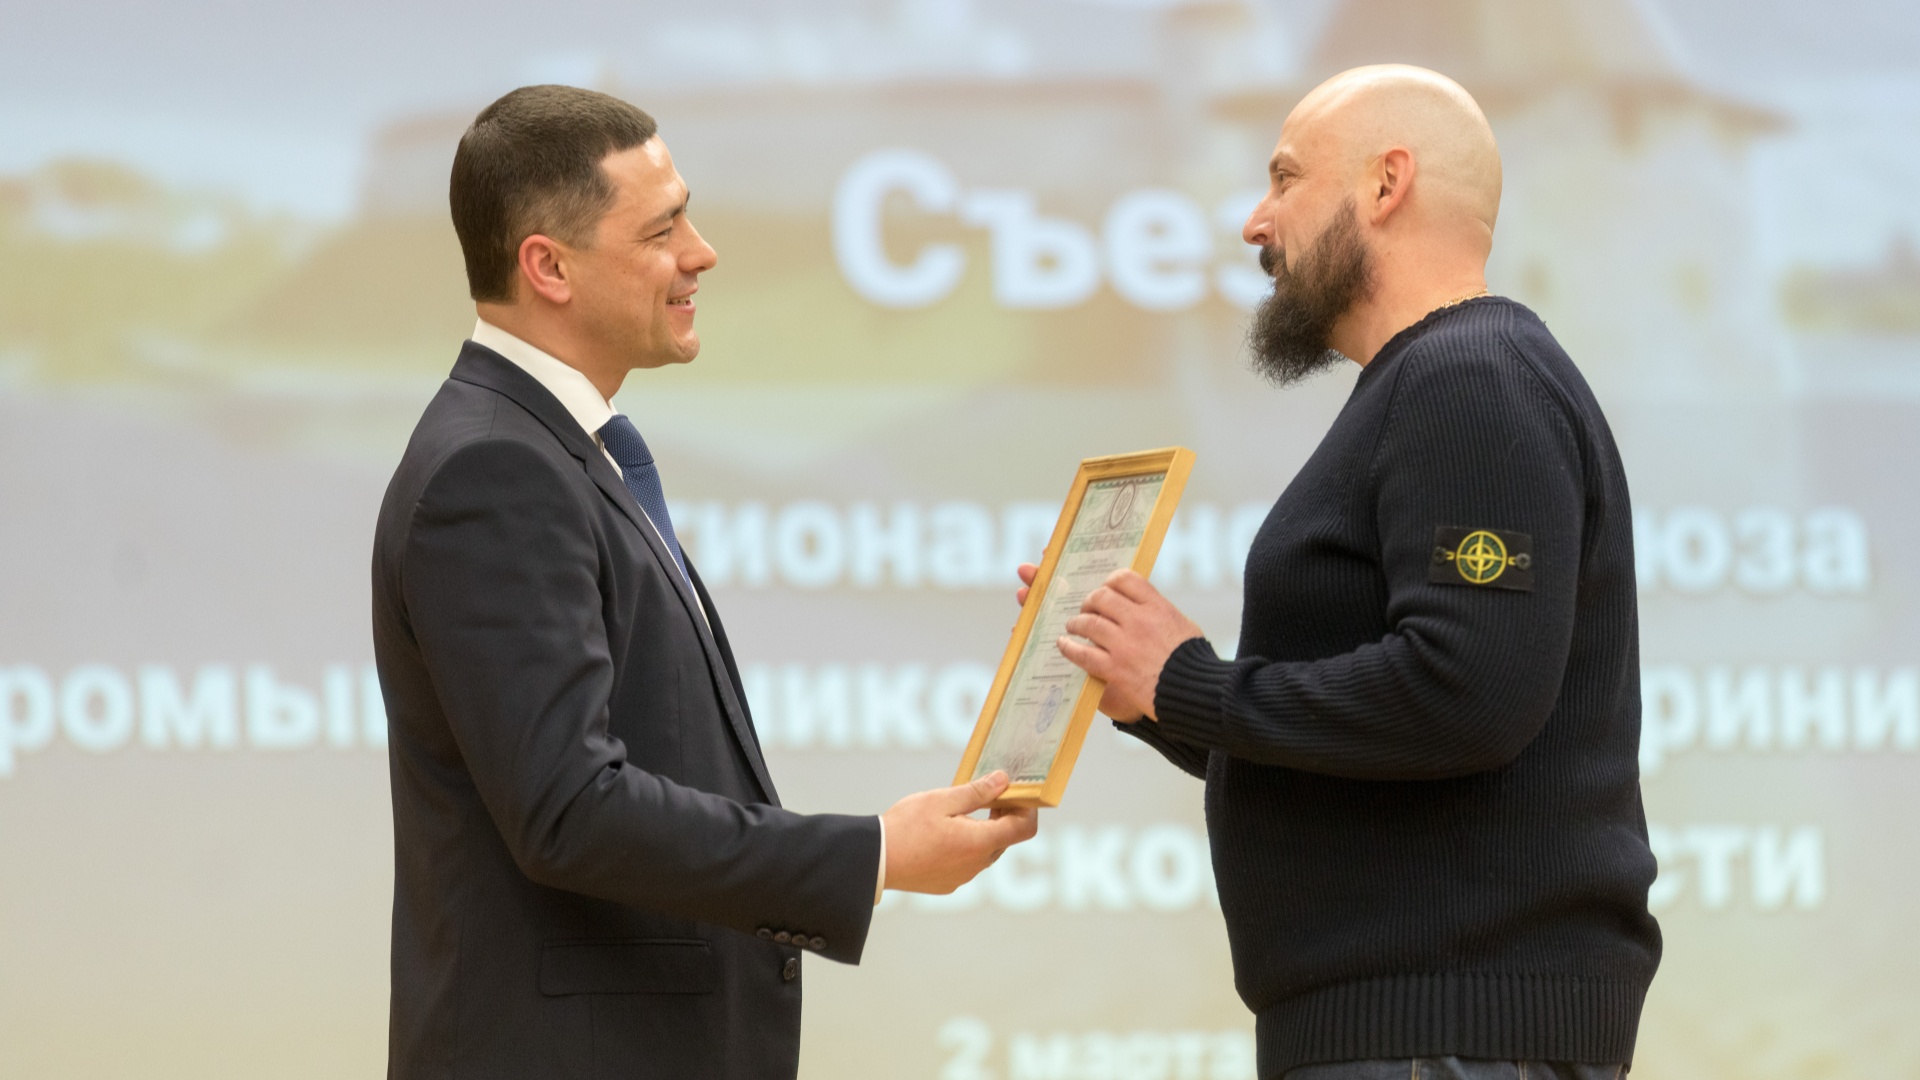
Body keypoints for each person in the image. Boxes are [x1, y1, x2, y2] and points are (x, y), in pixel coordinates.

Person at [371, 85, 1037, 1080]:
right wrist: (873, 855)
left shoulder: (554, 450)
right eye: (661, 230)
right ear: (548, 267)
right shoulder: (496, 469)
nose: (703, 252)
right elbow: (570, 809)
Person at [1026, 65, 1661, 1079]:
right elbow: (1384, 748)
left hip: (1443, 1040)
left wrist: (1192, 682)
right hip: (1419, 1037)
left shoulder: (1470, 379)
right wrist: (1154, 694)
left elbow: (1466, 695)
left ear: (1385, 184)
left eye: (1284, 179)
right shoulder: (1432, 382)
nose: (1254, 221)